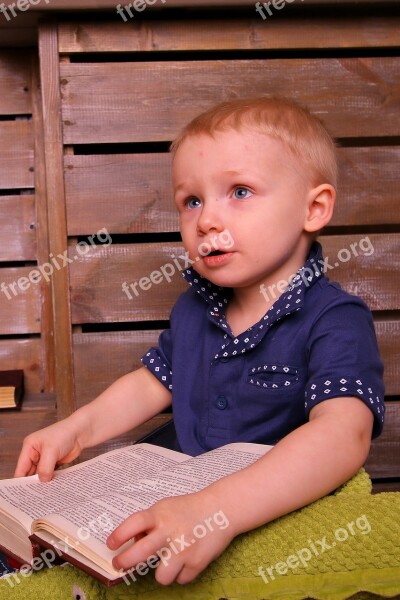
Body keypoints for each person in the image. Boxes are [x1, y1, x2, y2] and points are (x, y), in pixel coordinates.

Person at [15, 96, 384, 586]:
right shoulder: (195, 311)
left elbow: (344, 435)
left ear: (313, 208)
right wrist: (77, 431)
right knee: (82, 556)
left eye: (240, 191)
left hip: (270, 504)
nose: (207, 219)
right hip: (185, 489)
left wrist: (218, 510)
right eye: (192, 200)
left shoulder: (334, 319)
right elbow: (152, 382)